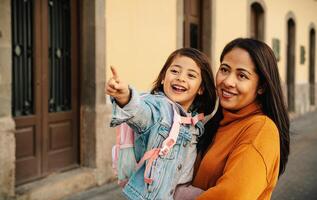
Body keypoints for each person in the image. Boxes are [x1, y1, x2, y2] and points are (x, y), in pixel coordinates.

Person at [174, 38, 290, 200]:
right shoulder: (217, 123)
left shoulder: (260, 129)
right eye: (224, 70)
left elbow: (232, 196)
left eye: (242, 75)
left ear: (262, 86)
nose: (227, 81)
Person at [105, 48, 220, 200]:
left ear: (201, 89)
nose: (181, 78)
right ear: (163, 78)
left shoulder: (194, 122)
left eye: (191, 75)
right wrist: (125, 96)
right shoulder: (159, 108)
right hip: (151, 195)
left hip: (179, 190)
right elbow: (141, 113)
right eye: (175, 71)